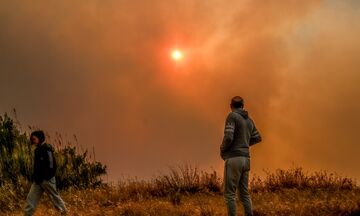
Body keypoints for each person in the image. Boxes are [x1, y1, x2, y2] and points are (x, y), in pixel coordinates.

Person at [220, 96, 262, 216]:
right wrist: (244, 143)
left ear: (231, 105)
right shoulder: (249, 120)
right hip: (246, 158)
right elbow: (257, 137)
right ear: (243, 105)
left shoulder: (232, 116)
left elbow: (228, 136)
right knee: (244, 194)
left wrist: (222, 149)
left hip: (234, 158)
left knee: (229, 194)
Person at [24, 130, 67, 216]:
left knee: (54, 198)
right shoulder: (37, 151)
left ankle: (64, 213)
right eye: (32, 139)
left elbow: (52, 165)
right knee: (31, 199)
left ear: (40, 138)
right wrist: (36, 177)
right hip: (37, 181)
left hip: (47, 180)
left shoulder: (47, 149)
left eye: (34, 139)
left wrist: (46, 177)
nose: (32, 141)